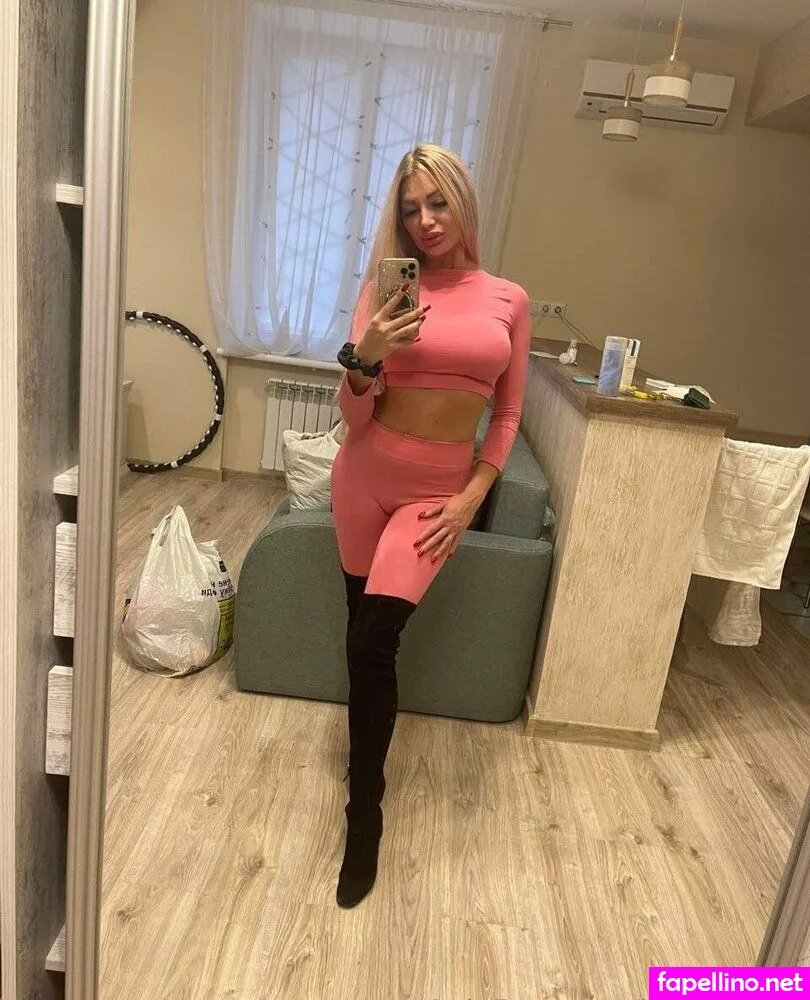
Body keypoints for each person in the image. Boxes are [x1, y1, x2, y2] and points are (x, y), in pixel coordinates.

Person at [330, 143, 531, 909]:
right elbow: (353, 417)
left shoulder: (507, 299)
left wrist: (474, 494)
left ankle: (364, 818)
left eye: (437, 202)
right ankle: (363, 768)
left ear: (463, 199)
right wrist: (365, 356)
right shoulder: (382, 292)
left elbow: (506, 415)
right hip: (364, 477)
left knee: (373, 641)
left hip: (436, 496)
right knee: (360, 631)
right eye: (411, 208)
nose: (425, 221)